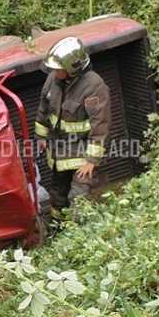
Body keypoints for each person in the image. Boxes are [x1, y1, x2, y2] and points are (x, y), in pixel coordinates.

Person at [34, 36, 111, 222]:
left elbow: (100, 125)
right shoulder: (53, 80)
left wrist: (91, 161)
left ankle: (80, 236)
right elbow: (44, 110)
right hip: (59, 152)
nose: (54, 71)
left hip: (82, 154)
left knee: (78, 199)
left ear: (72, 69)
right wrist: (41, 138)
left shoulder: (94, 86)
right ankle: (59, 231)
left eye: (59, 69)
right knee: (58, 197)